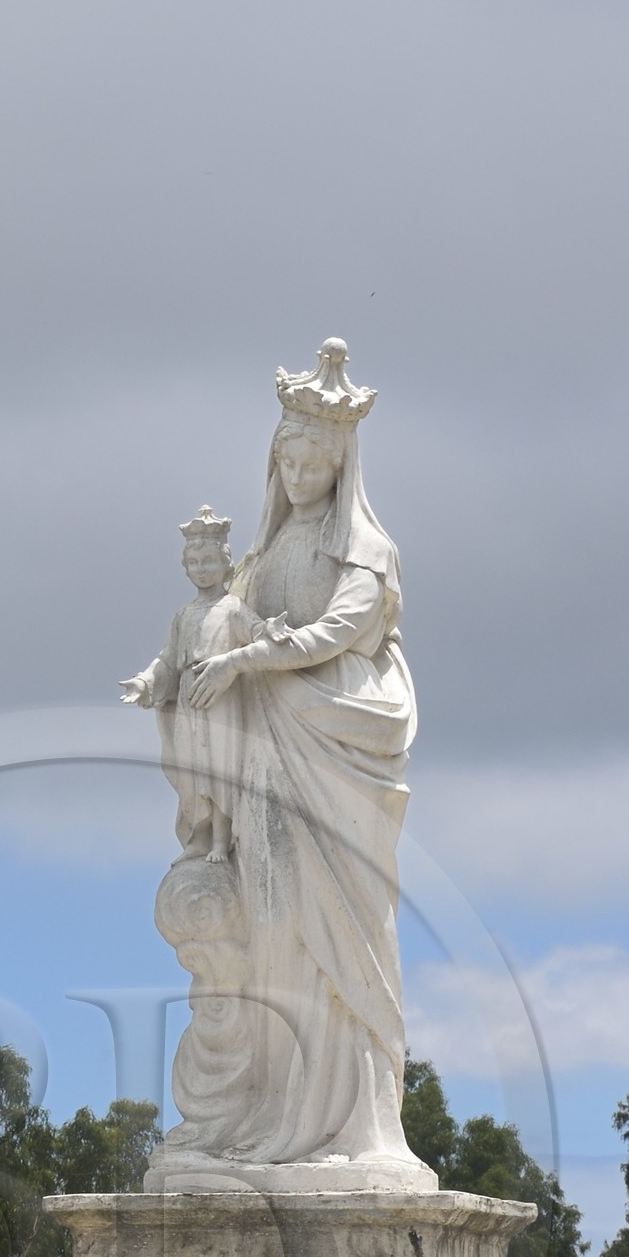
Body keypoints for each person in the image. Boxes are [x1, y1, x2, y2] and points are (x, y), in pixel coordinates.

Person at [154, 340, 435, 1187]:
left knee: (342, 939)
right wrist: (182, 675)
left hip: (338, 748)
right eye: (287, 457)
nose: (300, 470)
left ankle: (351, 1124)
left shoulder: (365, 550)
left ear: (341, 461)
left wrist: (246, 667)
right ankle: (264, 1112)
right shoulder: (264, 556)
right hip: (270, 764)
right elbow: (218, 625)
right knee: (271, 931)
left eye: (315, 457)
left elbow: (344, 633)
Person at [121, 507, 259, 863]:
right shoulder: (183, 615)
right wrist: (144, 682)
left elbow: (257, 632)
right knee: (192, 770)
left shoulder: (232, 608)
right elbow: (167, 660)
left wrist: (271, 631)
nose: (201, 570)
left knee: (221, 769)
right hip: (187, 701)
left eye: (209, 561)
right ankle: (199, 837)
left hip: (221, 699)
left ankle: (220, 842)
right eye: (195, 563)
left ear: (225, 564)